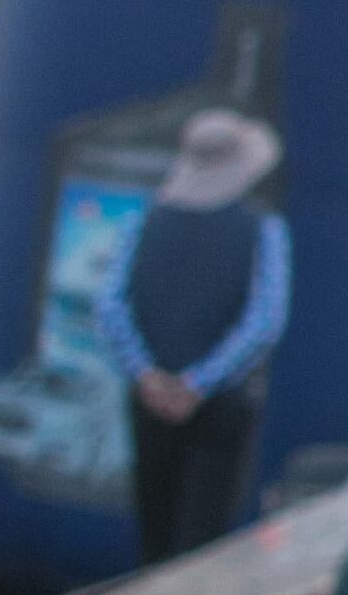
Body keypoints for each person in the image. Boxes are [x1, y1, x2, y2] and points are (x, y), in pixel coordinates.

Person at [92, 106, 289, 563]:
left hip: (149, 398)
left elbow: (110, 305)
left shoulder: (142, 221)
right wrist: (199, 382)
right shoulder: (262, 228)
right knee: (202, 541)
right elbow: (264, 320)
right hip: (222, 402)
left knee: (155, 533)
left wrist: (146, 374)